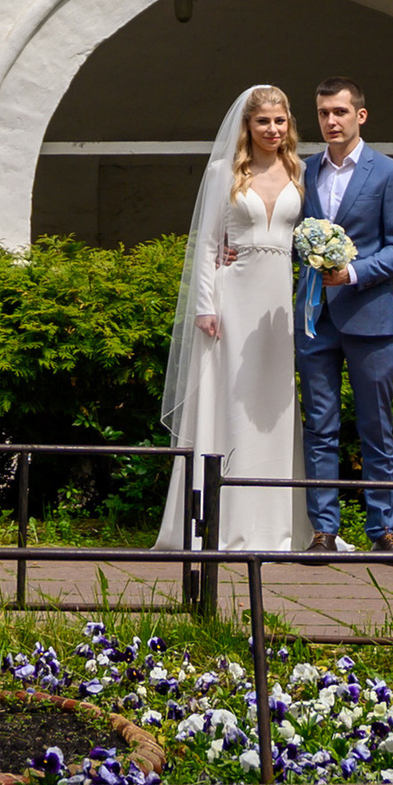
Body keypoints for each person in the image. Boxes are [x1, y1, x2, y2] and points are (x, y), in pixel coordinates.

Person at [154, 84, 306, 556]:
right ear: (247, 126)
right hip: (233, 295)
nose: (273, 130)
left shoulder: (298, 169)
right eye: (264, 122)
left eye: (280, 121)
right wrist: (205, 304)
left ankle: (275, 525)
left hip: (279, 301)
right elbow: (206, 243)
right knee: (231, 401)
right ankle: (223, 523)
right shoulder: (225, 172)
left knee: (275, 405)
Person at [294, 77, 393, 555]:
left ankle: (382, 532)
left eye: (340, 112)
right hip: (313, 317)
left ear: (360, 115)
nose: (331, 121)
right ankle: (323, 530)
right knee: (319, 425)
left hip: (369, 315)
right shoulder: (303, 172)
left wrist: (353, 272)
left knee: (375, 426)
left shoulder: (390, 173)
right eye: (324, 113)